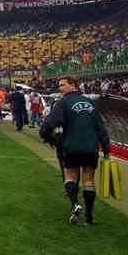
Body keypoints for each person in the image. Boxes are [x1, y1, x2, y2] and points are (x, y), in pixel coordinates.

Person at [40, 76, 110, 225]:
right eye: (59, 85)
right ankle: (90, 216)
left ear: (73, 85)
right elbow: (100, 127)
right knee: (89, 179)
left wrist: (47, 136)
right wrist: (106, 148)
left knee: (70, 176)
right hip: (91, 147)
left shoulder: (63, 102)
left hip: (72, 145)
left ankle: (75, 204)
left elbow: (51, 123)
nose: (60, 88)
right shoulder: (90, 103)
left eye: (63, 85)